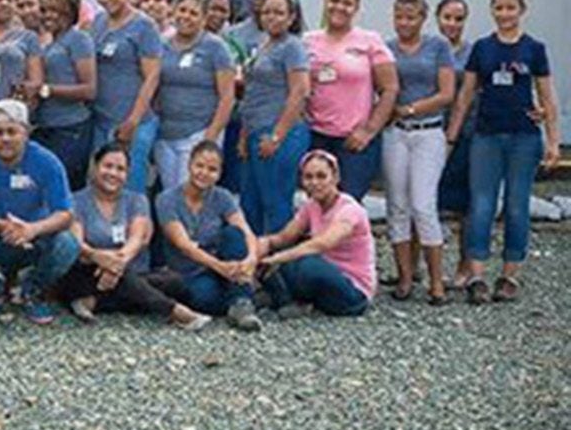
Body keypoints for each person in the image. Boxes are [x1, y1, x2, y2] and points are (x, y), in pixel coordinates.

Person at [451, 0, 557, 304]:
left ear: (521, 10)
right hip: (486, 137)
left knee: (516, 205)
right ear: (492, 11)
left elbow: (547, 97)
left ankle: (509, 275)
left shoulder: (534, 49)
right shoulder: (482, 49)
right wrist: (451, 135)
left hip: (523, 138)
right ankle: (478, 275)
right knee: (482, 205)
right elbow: (465, 96)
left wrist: (553, 141)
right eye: (499, 8)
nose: (505, 14)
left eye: (511, 8)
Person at [0, 100, 78, 324]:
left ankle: (32, 290)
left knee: (68, 244)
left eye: (12, 131)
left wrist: (32, 229)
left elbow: (65, 213)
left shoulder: (47, 162)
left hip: (34, 238)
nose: (5, 138)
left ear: (26, 132)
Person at [59, 143, 210, 330]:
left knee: (174, 282)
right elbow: (77, 243)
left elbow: (137, 239)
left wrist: (115, 265)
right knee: (127, 282)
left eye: (120, 169)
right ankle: (175, 311)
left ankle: (94, 302)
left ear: (127, 174)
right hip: (89, 272)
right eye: (108, 166)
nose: (113, 173)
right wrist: (99, 257)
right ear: (95, 167)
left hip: (129, 271)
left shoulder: (137, 200)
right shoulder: (76, 200)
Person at [384, 0, 456, 302]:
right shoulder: (386, 49)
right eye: (399, 16)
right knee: (397, 206)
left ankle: (436, 281)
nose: (404, 23)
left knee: (423, 205)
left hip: (428, 131)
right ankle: (404, 277)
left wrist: (411, 108)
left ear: (422, 18)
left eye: (410, 17)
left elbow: (447, 93)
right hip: (395, 134)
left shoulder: (437, 47)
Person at [302, 0, 399, 199]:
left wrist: (369, 130)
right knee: (317, 201)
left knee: (348, 203)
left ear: (356, 8)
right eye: (334, 0)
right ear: (325, 2)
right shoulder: (308, 41)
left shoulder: (370, 41)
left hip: (354, 140)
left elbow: (390, 89)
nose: (339, 7)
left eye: (347, 3)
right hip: (317, 136)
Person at [152, 141, 263, 330]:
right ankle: (248, 296)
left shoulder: (223, 196)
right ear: (190, 165)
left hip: (224, 266)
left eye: (212, 169)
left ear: (219, 174)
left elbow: (245, 230)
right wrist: (220, 267)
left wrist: (252, 258)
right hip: (191, 271)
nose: (204, 173)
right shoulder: (167, 199)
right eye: (199, 166)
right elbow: (183, 245)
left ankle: (242, 303)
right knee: (203, 299)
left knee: (234, 234)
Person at [251, 149, 376, 317]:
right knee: (276, 260)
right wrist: (262, 245)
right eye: (308, 177)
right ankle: (286, 301)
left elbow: (323, 243)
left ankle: (284, 298)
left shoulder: (350, 209)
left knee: (305, 264)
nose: (314, 182)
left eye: (321, 176)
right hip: (324, 275)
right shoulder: (311, 206)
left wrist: (279, 258)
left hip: (353, 290)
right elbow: (284, 237)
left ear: (336, 178)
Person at [236, 0, 311, 235]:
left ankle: (280, 265)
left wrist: (277, 136)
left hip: (281, 133)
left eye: (279, 12)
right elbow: (252, 92)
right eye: (267, 12)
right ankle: (254, 261)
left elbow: (299, 92)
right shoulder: (262, 45)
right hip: (255, 131)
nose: (272, 17)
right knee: (250, 202)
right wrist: (245, 135)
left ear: (291, 18)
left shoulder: (293, 47)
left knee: (276, 203)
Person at [151, 0, 238, 194]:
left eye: (193, 13)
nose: (186, 16)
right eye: (182, 10)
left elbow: (227, 97)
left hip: (198, 133)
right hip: (166, 134)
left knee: (191, 196)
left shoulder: (216, 48)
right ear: (173, 11)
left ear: (204, 18)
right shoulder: (162, 45)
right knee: (169, 196)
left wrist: (210, 137)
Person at [89, 0, 164, 195]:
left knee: (131, 189)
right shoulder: (99, 22)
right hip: (101, 120)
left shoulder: (144, 26)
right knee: (100, 188)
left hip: (133, 123)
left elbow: (152, 77)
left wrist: (133, 120)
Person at [25, 0, 97, 189]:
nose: (48, 16)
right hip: (46, 127)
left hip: (70, 128)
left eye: (55, 11)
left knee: (63, 187)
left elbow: (89, 90)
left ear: (68, 13)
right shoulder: (49, 41)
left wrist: (45, 90)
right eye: (45, 10)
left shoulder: (79, 39)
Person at [435, 0, 476, 218]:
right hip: (431, 128)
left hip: (465, 131)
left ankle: (466, 253)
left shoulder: (472, 52)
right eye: (447, 17)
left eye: (458, 19)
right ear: (437, 18)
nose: (452, 23)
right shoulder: (429, 48)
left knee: (463, 200)